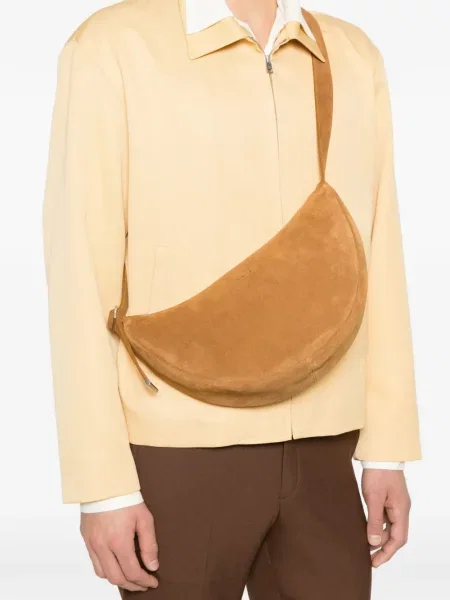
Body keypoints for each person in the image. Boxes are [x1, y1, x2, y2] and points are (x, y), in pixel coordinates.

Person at [42, 0, 421, 598]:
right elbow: (79, 270)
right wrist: (103, 486)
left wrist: (387, 453)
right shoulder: (112, 47)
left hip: (326, 447)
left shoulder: (351, 55)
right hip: (178, 447)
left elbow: (378, 252)